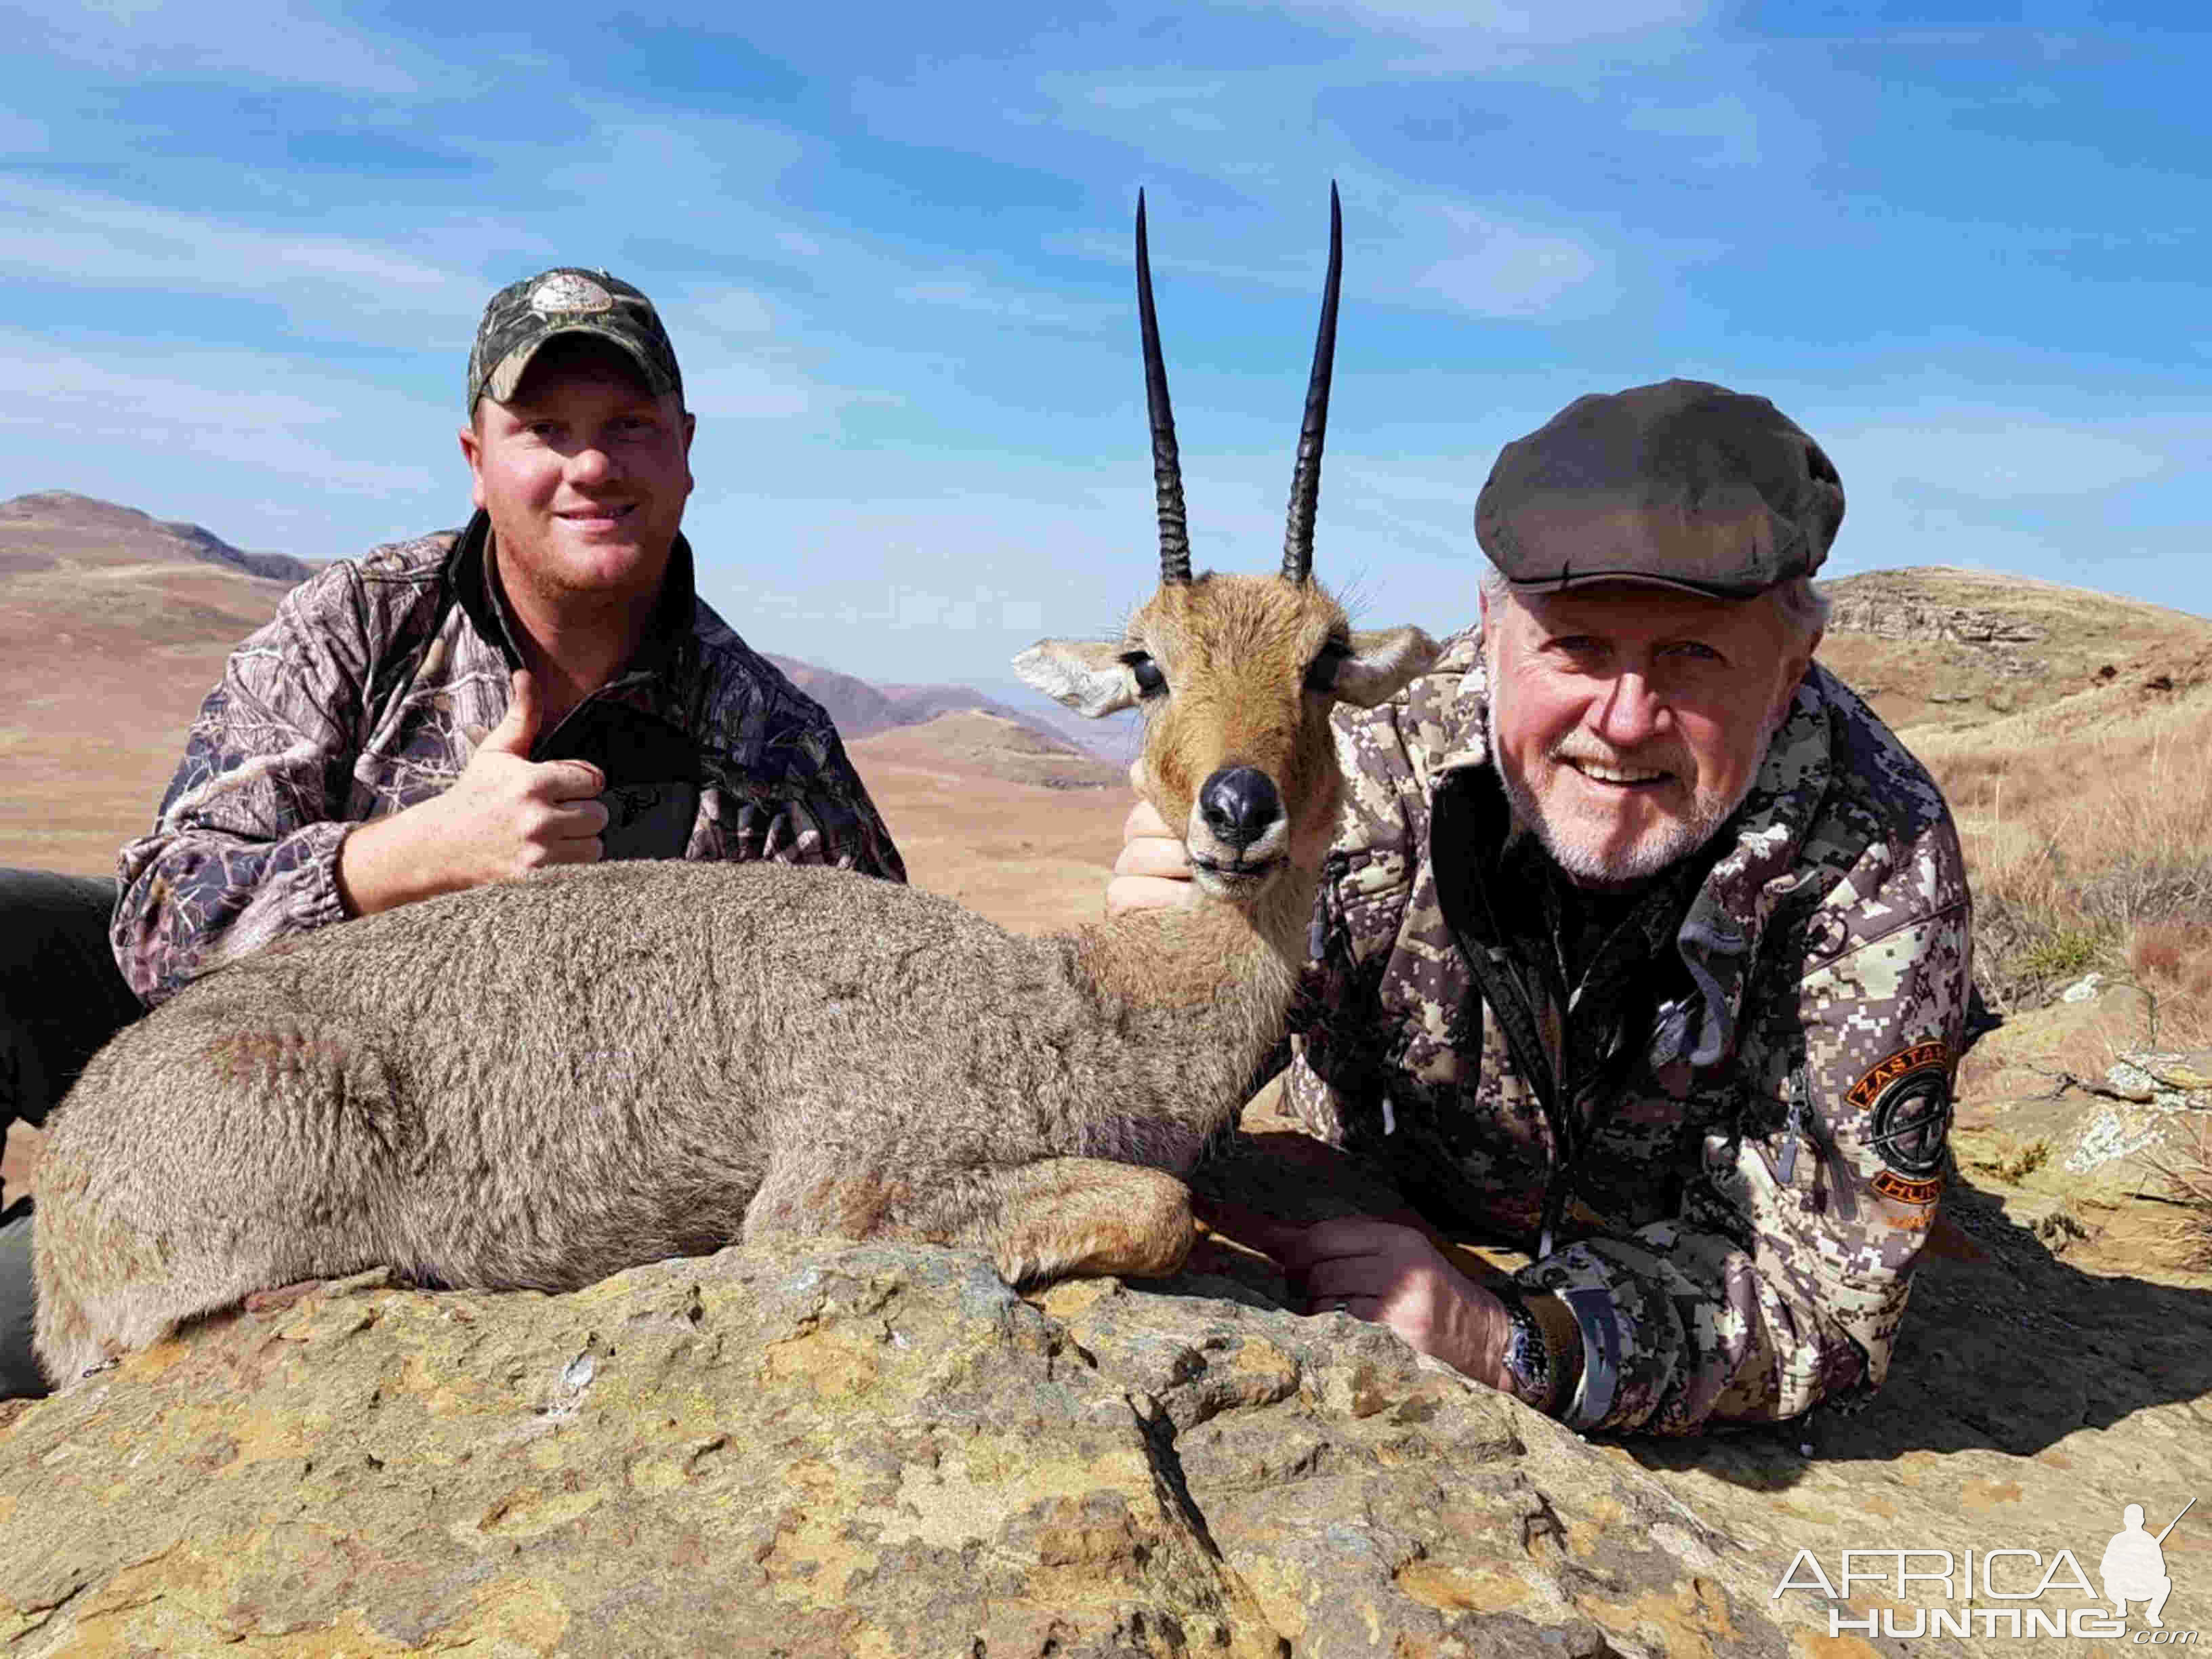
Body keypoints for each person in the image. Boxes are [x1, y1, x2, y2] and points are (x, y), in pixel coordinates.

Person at [0, 266, 905, 1395]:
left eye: (627, 426)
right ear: (478, 459)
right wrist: (396, 864)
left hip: (440, 1191)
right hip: (237, 1087)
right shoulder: (359, 621)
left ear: (683, 449)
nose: (590, 465)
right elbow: (156, 930)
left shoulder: (775, 748)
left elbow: (894, 1022)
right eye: (543, 429)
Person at [1113, 380, 1972, 1436]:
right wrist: (1168, 987)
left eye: (1692, 655)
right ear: (1492, 631)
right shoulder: (1355, 769)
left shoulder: (1881, 859)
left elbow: (1832, 1305)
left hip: (1659, 1269)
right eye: (1576, 647)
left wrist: (1514, 1337)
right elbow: (1160, 1110)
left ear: (1794, 664)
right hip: (1362, 1203)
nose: (1622, 720)